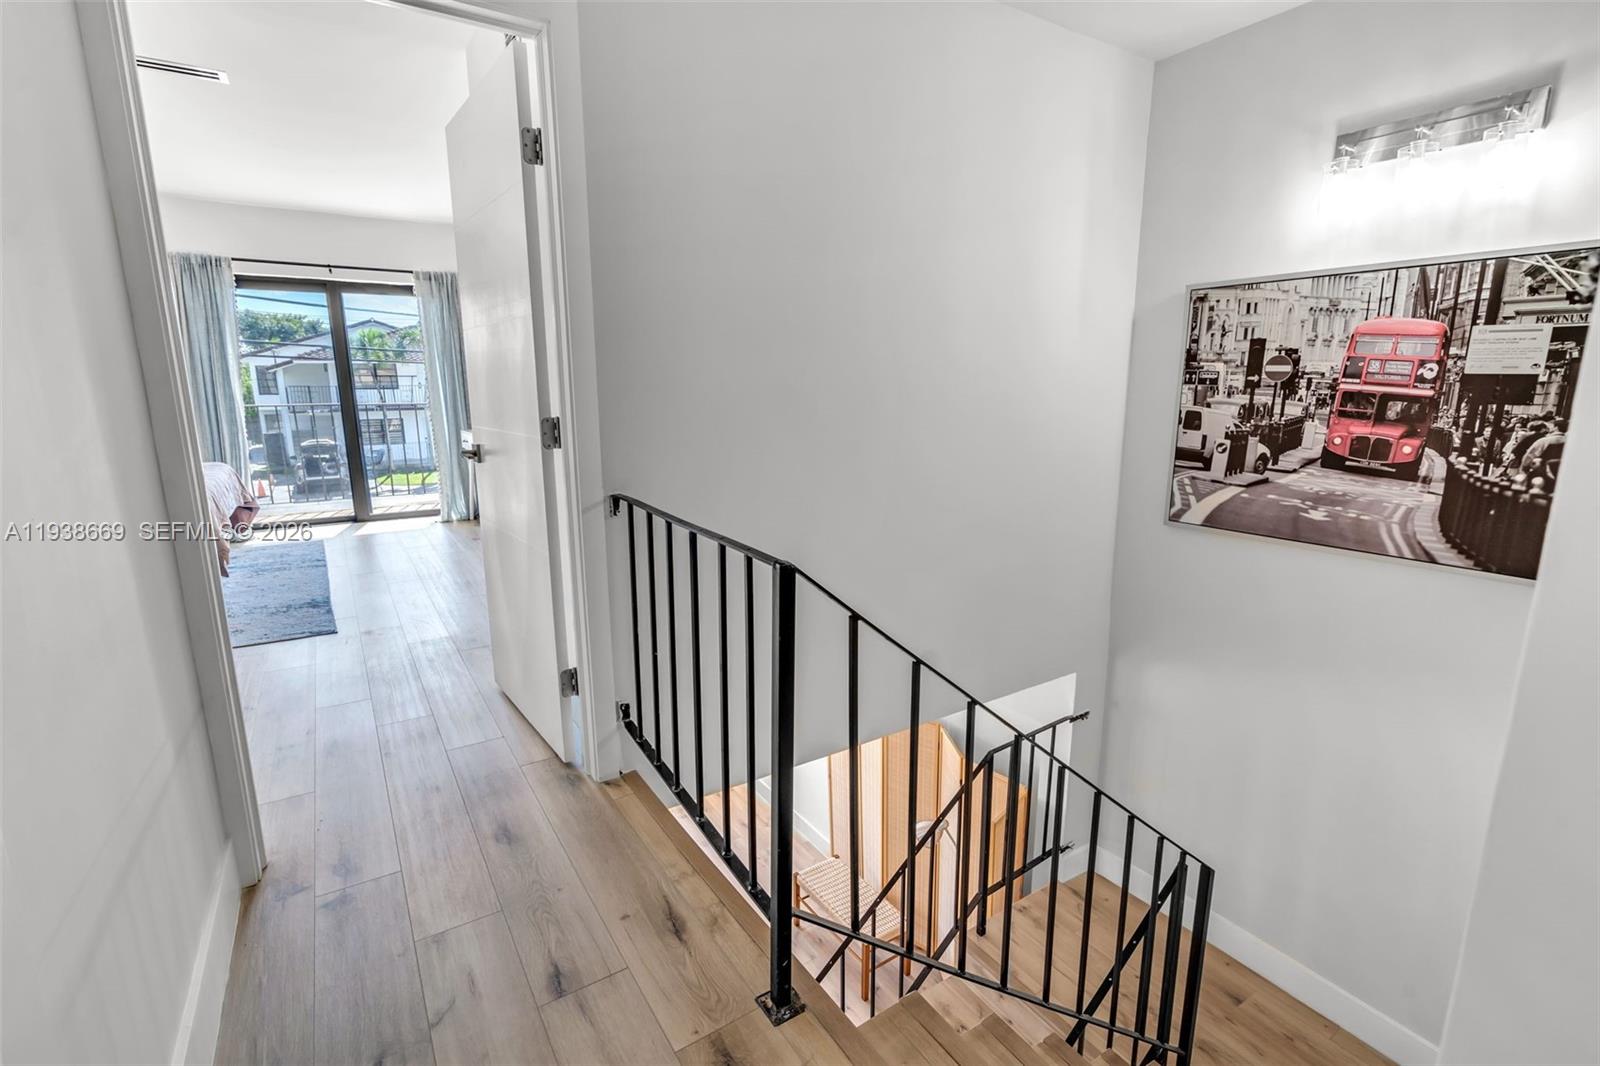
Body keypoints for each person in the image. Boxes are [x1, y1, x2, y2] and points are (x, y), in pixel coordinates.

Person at [1521, 417, 1567, 486]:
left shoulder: (1543, 441)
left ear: (1556, 428)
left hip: (1541, 476)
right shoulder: (1570, 442)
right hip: (1560, 476)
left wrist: (1524, 469)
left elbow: (1528, 458)